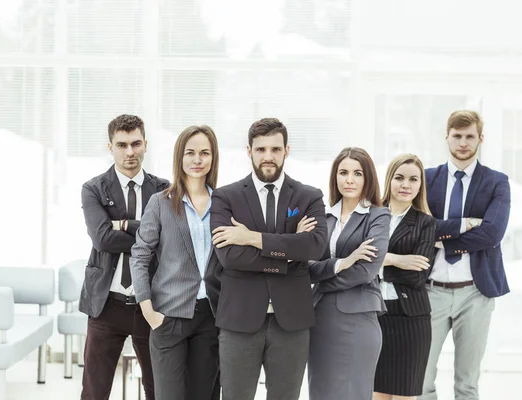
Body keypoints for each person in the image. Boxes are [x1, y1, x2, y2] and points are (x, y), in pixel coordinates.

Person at [210, 117, 328, 400]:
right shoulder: (225, 197)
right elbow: (230, 255)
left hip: (292, 322)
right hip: (240, 319)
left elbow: (314, 248)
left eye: (275, 149)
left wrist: (251, 238)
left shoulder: (309, 197)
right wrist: (289, 254)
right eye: (261, 149)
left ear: (287, 150)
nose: (268, 157)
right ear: (249, 151)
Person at [419, 110, 511, 400]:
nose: (462, 142)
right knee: (420, 380)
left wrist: (445, 244)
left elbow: (492, 233)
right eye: (457, 135)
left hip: (475, 293)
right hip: (430, 291)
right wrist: (464, 224)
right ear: (446, 136)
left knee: (467, 384)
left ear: (480, 139)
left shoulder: (496, 182)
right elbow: (419, 228)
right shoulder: (426, 178)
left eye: (469, 136)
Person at [79, 114, 169, 400]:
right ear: (110, 147)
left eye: (136, 143)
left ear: (145, 145)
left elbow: (168, 240)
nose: (129, 152)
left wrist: (125, 225)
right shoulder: (93, 188)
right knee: (95, 390)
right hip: (107, 303)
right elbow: (102, 239)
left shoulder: (165, 189)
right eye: (122, 145)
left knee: (159, 388)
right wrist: (148, 235)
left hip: (151, 304)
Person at [130, 125, 222, 400]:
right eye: (190, 153)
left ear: (213, 158)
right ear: (179, 157)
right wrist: (147, 309)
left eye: (204, 153)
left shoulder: (225, 203)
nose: (197, 160)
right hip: (169, 316)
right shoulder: (160, 203)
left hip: (211, 316)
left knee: (204, 395)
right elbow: (140, 256)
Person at [306, 147, 391, 400]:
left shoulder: (378, 216)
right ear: (335, 177)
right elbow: (306, 268)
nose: (349, 179)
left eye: (357, 173)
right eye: (343, 173)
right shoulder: (323, 217)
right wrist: (342, 263)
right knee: (321, 392)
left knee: (353, 392)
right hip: (320, 318)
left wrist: (324, 277)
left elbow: (366, 270)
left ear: (368, 178)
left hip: (358, 317)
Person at [373, 154, 436, 400]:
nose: (405, 185)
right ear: (389, 180)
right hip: (374, 314)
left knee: (404, 395)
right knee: (378, 394)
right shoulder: (371, 215)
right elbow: (353, 261)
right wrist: (397, 260)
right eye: (399, 178)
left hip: (411, 319)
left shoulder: (425, 223)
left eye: (413, 179)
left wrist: (376, 262)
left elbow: (417, 277)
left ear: (420, 185)